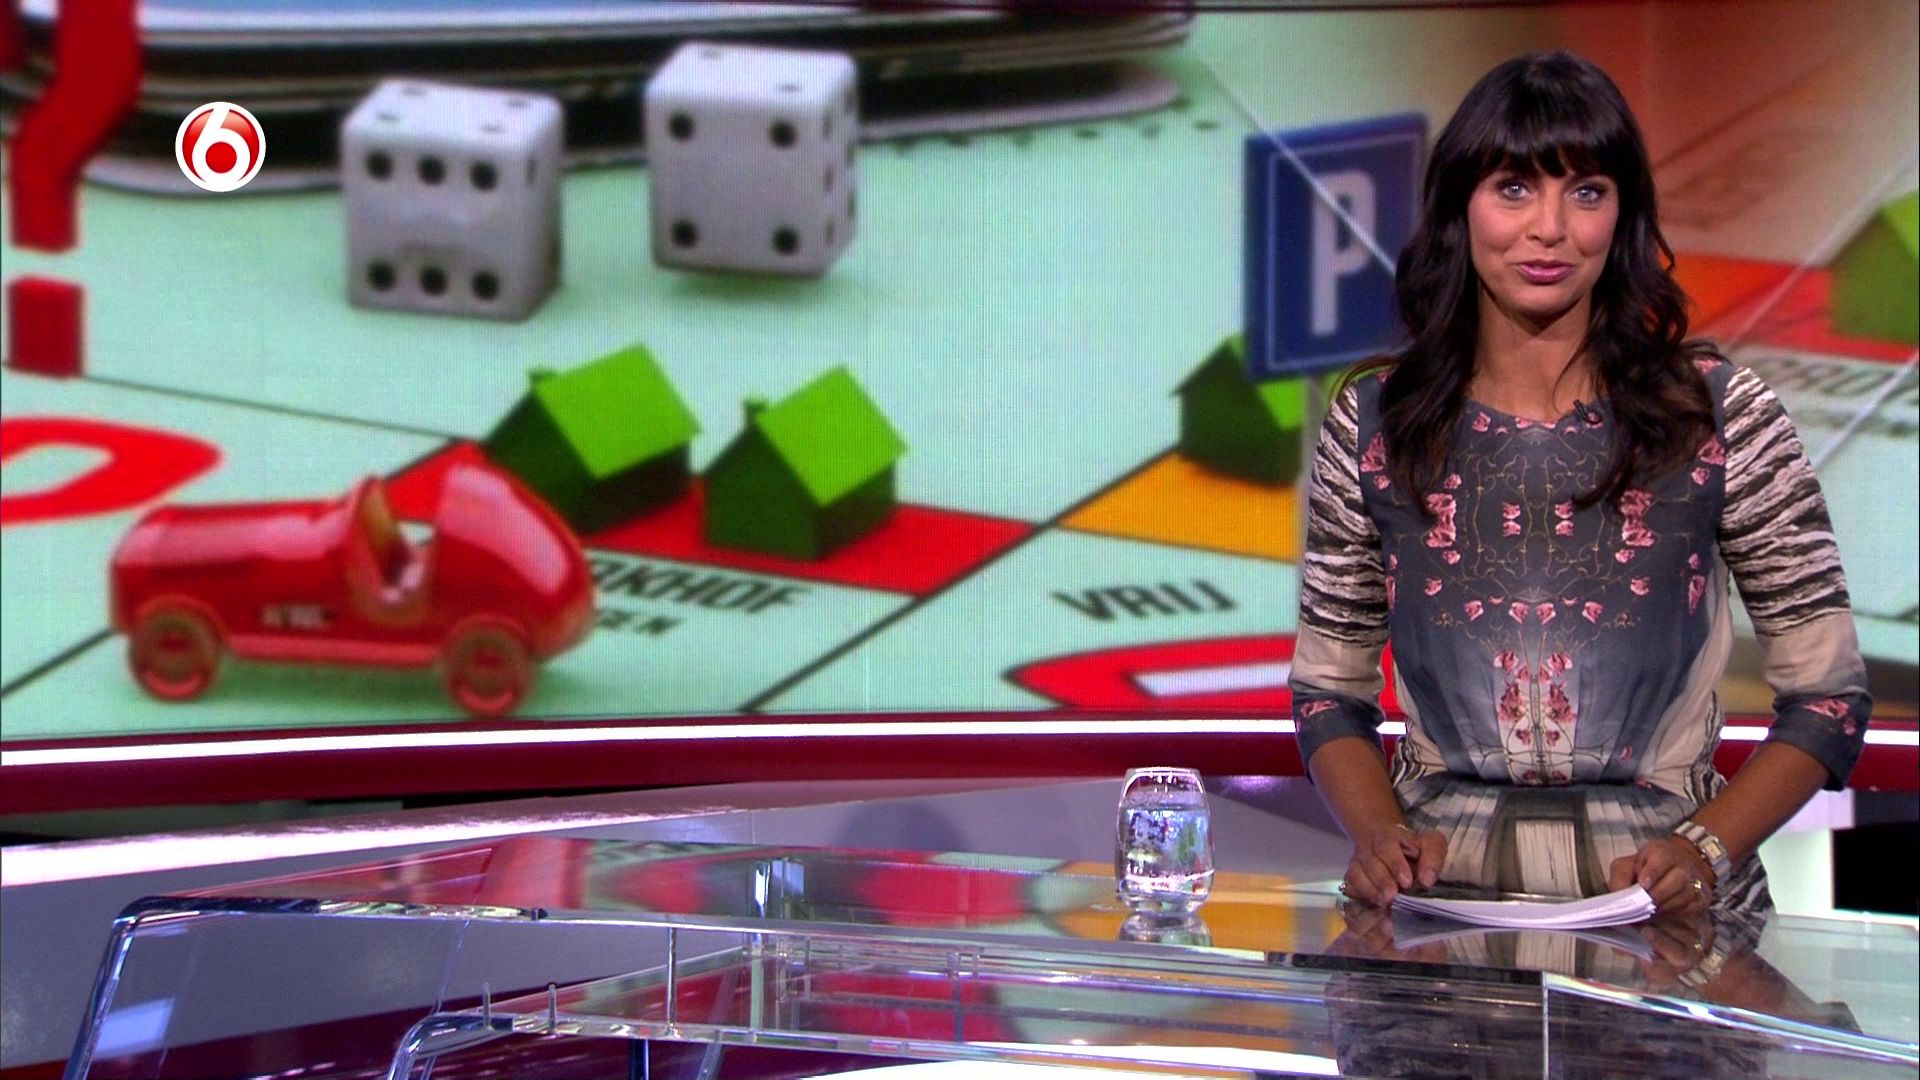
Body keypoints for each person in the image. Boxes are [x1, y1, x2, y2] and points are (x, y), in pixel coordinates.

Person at [1288, 50, 1872, 917]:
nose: (1551, 229)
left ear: (1623, 216)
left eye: (1587, 192)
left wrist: (1704, 849)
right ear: (1459, 207)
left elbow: (1828, 699)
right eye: (1514, 189)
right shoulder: (1377, 421)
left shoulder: (1716, 414)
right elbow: (1327, 695)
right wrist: (1379, 840)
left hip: (1665, 906)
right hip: (1434, 905)